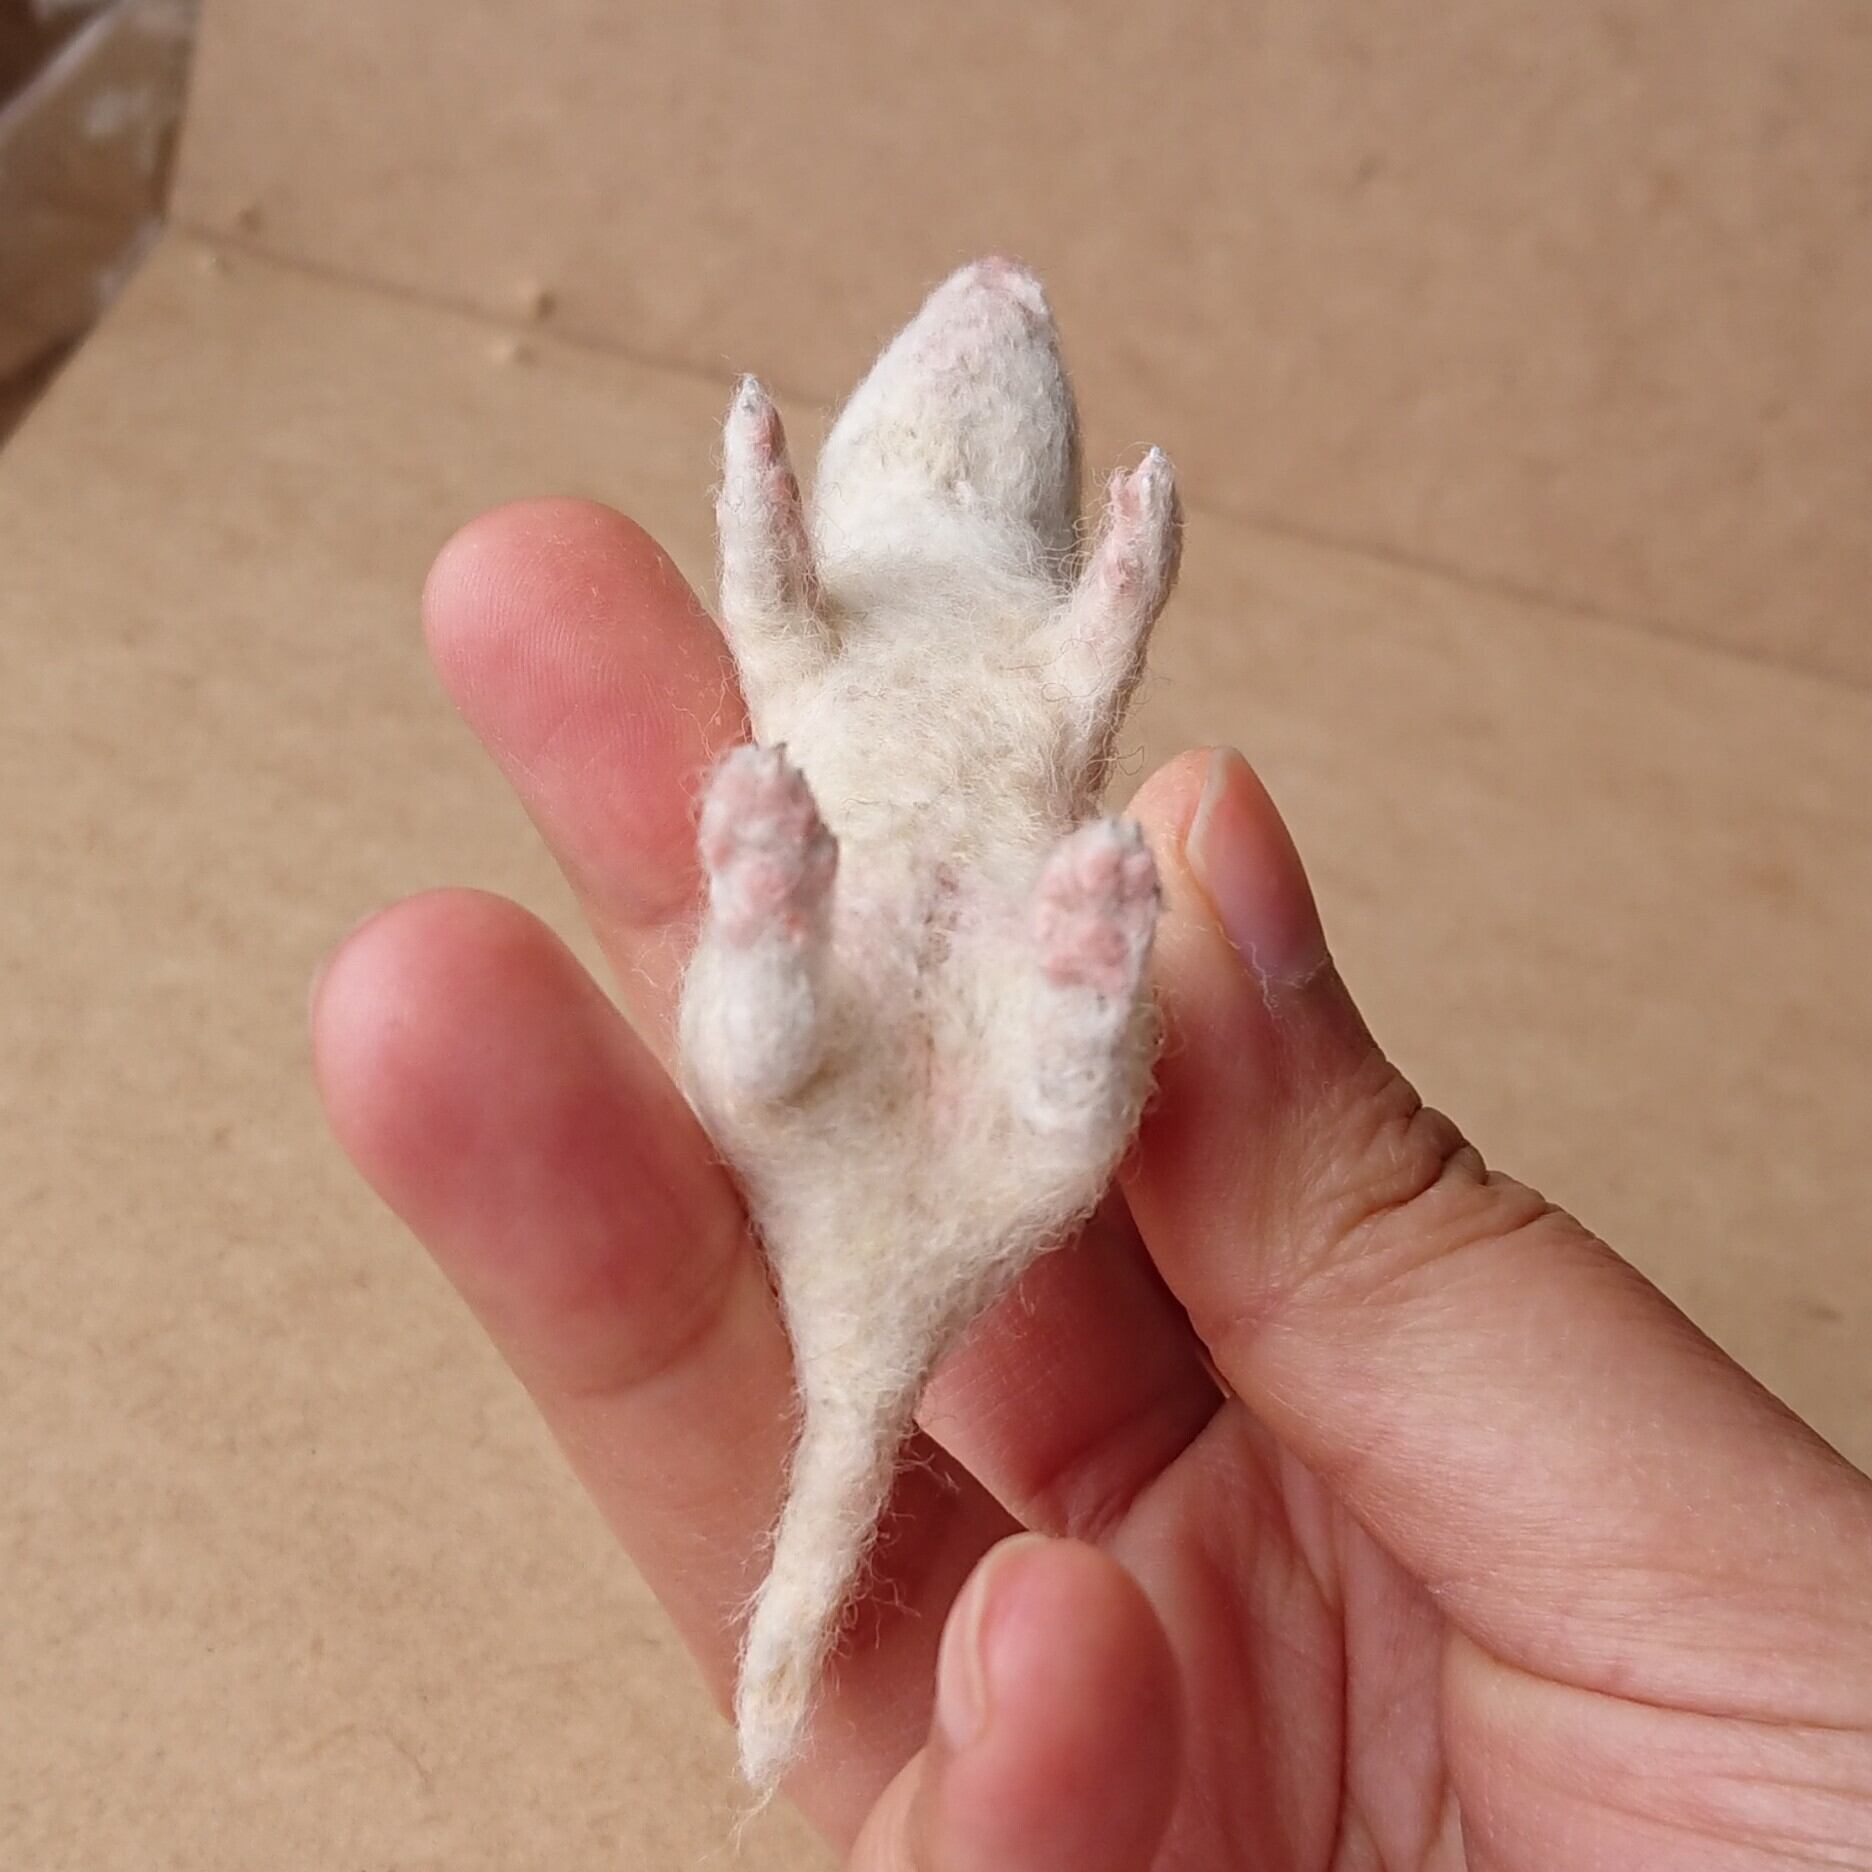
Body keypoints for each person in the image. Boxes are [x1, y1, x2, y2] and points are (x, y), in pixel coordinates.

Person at [311, 500, 1872, 1871]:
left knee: (981, 1116)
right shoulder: (859, 663)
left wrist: (1113, 574)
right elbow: (806, 623)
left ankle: (977, 1008)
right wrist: (1050, 571)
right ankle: (867, 983)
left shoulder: (957, 671)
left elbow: (1035, 648)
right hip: (865, 1058)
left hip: (925, 1066)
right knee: (790, 1068)